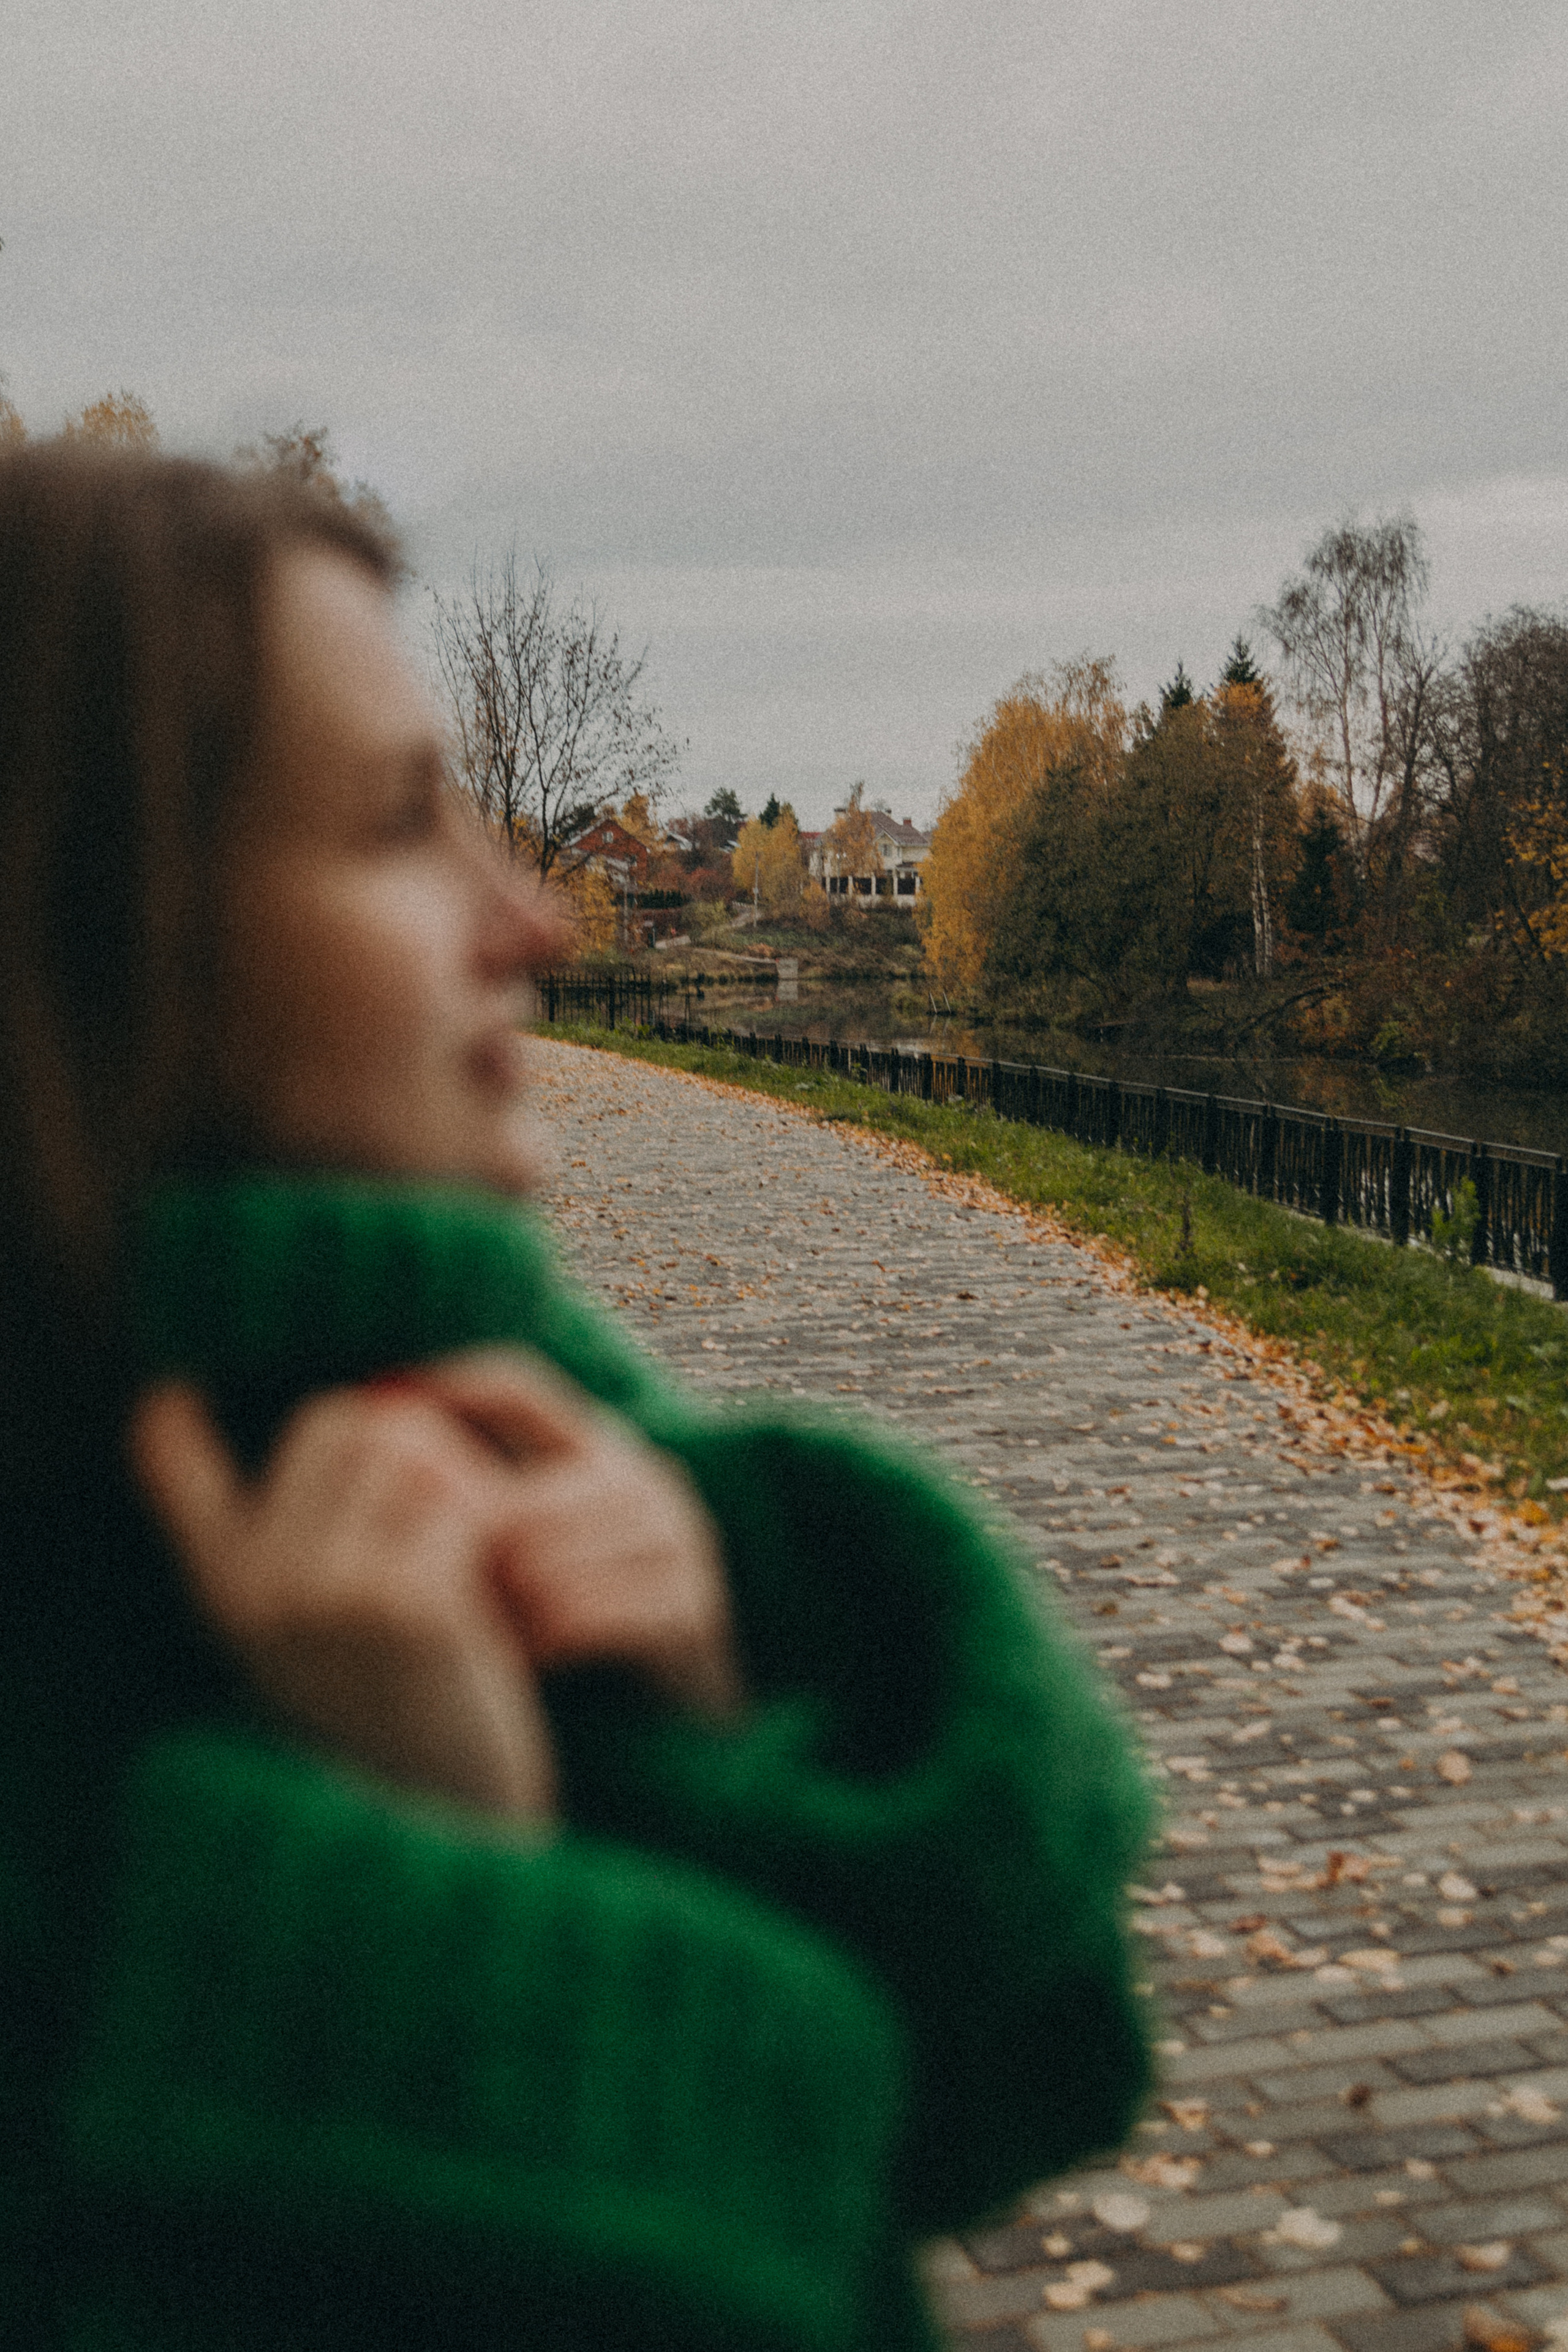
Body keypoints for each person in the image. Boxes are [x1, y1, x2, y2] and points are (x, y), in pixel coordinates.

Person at [0, 443, 1154, 2352]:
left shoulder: (482, 1403)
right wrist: (427, 1895)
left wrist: (700, 1712)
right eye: (390, 825)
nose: (531, 923)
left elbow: (1009, 2080)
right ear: (93, 939)